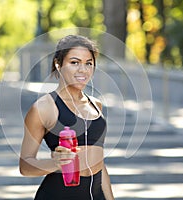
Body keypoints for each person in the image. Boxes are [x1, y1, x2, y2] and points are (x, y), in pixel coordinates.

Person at [19, 35, 114, 200]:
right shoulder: (43, 107)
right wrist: (55, 164)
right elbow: (25, 166)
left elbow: (99, 162)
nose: (82, 70)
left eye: (88, 63)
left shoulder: (96, 105)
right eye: (74, 62)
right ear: (58, 64)